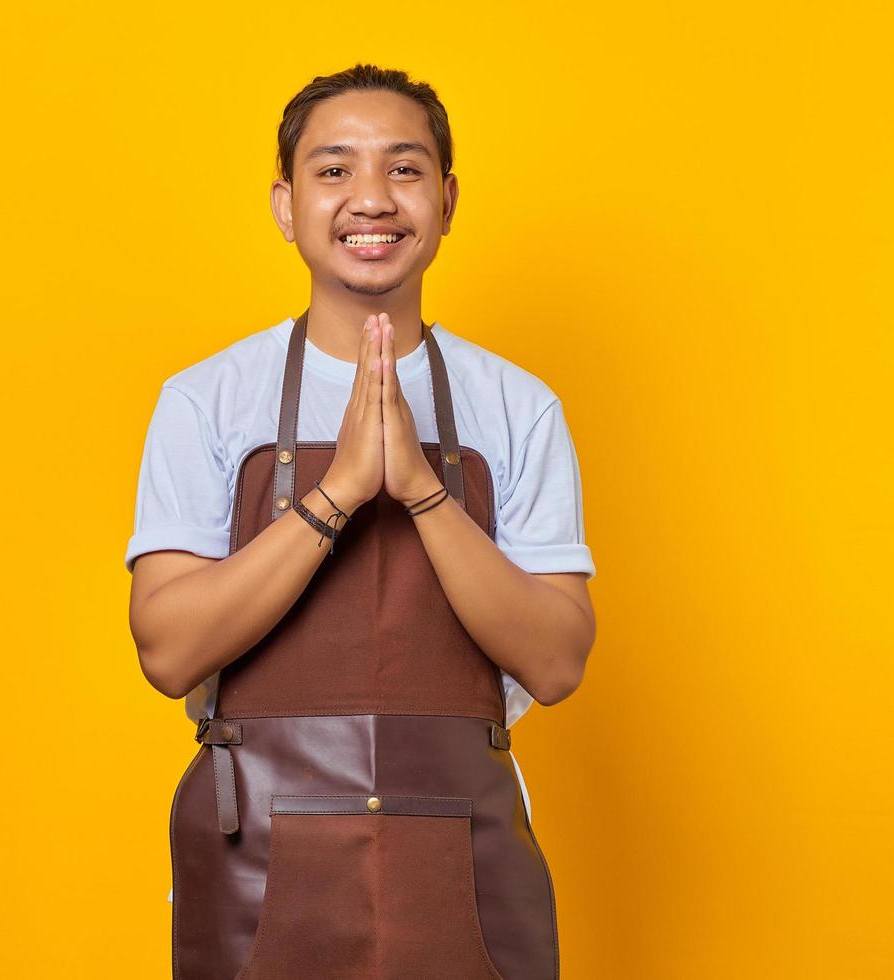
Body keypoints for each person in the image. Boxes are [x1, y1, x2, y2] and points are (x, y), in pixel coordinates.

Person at [126, 62, 595, 980]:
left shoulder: (519, 407)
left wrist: (420, 488)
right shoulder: (208, 400)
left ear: (449, 201)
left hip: (462, 858)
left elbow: (558, 660)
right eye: (334, 170)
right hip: (254, 856)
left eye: (405, 169)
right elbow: (168, 652)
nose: (371, 199)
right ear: (284, 201)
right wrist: (339, 490)